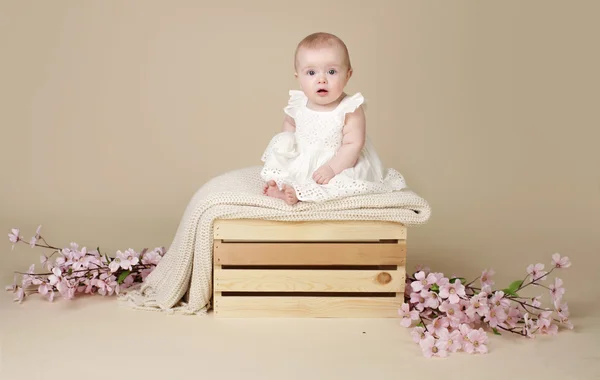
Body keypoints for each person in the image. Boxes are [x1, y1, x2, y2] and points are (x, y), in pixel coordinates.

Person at [261, 32, 407, 205]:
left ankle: (301, 193)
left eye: (331, 71)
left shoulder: (349, 108)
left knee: (340, 183)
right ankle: (283, 189)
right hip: (304, 157)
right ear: (298, 78)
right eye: (311, 72)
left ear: (347, 75)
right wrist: (288, 148)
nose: (321, 79)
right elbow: (290, 123)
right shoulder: (299, 103)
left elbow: (353, 144)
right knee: (285, 161)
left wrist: (331, 168)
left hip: (339, 162)